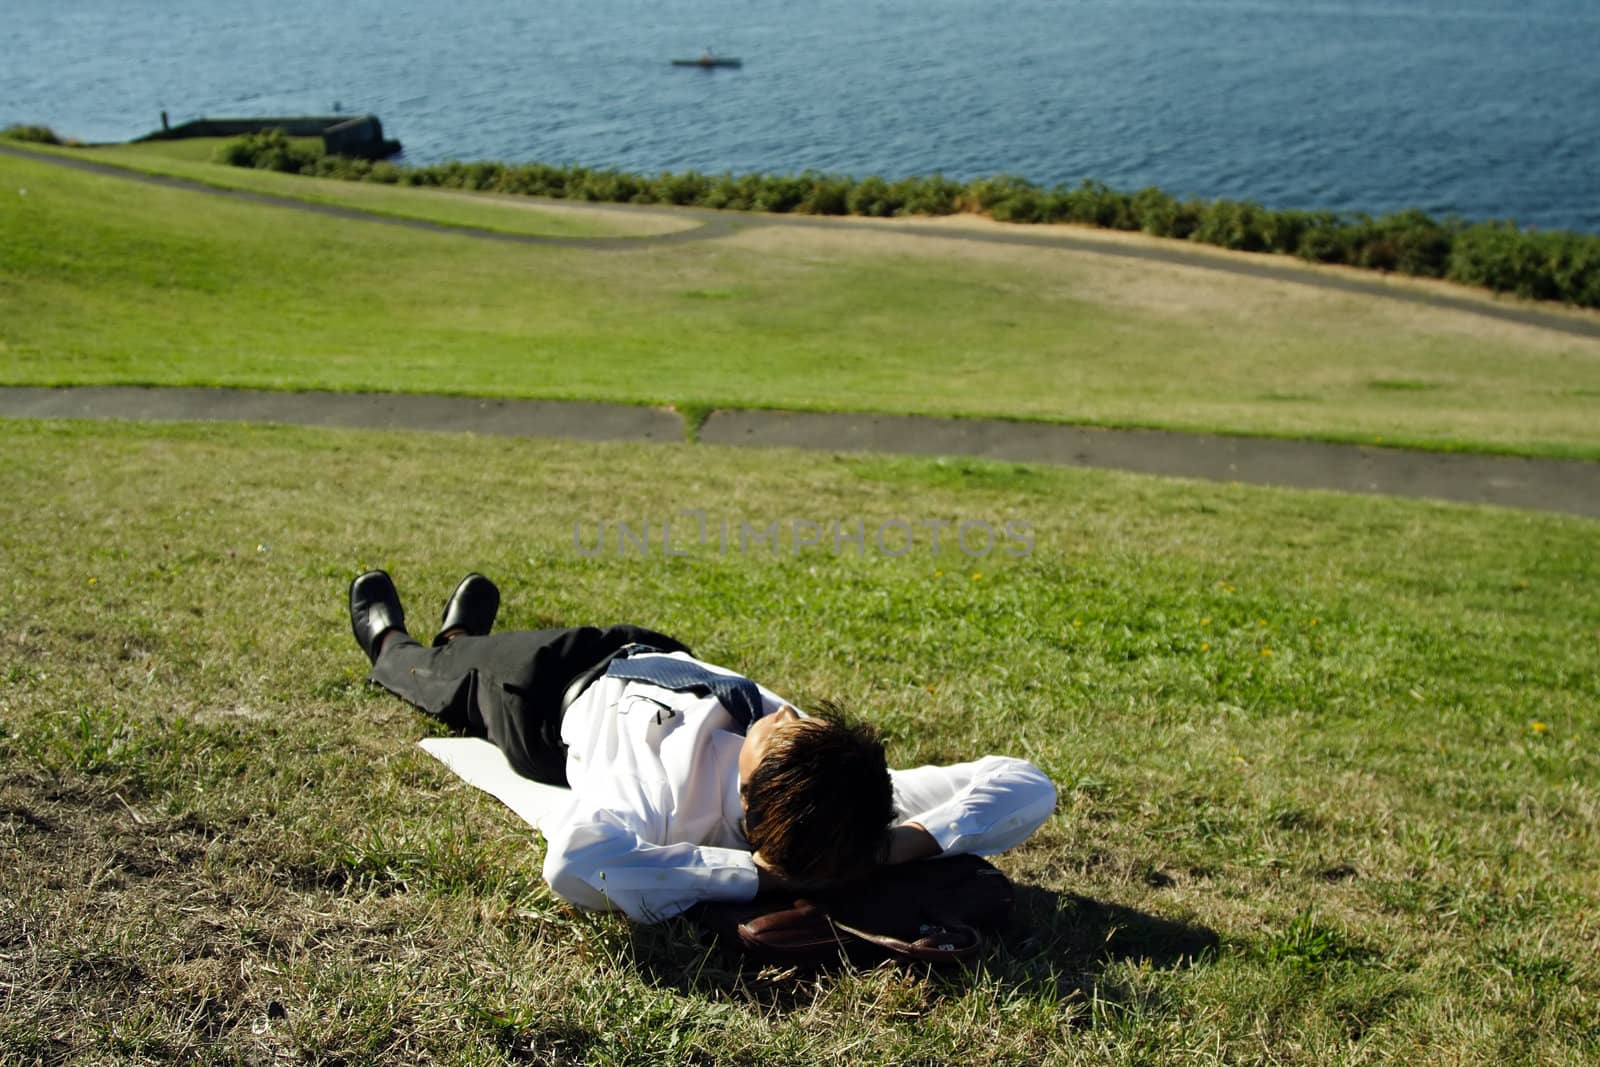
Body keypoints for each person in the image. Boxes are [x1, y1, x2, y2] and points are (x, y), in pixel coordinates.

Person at [349, 570, 1057, 923]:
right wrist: (893, 847)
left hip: (548, 693)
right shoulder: (851, 798)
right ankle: (465, 638)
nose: (794, 716)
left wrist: (761, 877)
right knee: (480, 650)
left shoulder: (660, 806)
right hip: (655, 655)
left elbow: (576, 865)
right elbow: (1026, 783)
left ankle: (400, 644)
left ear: (758, 791)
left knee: (445, 679)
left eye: (788, 735)